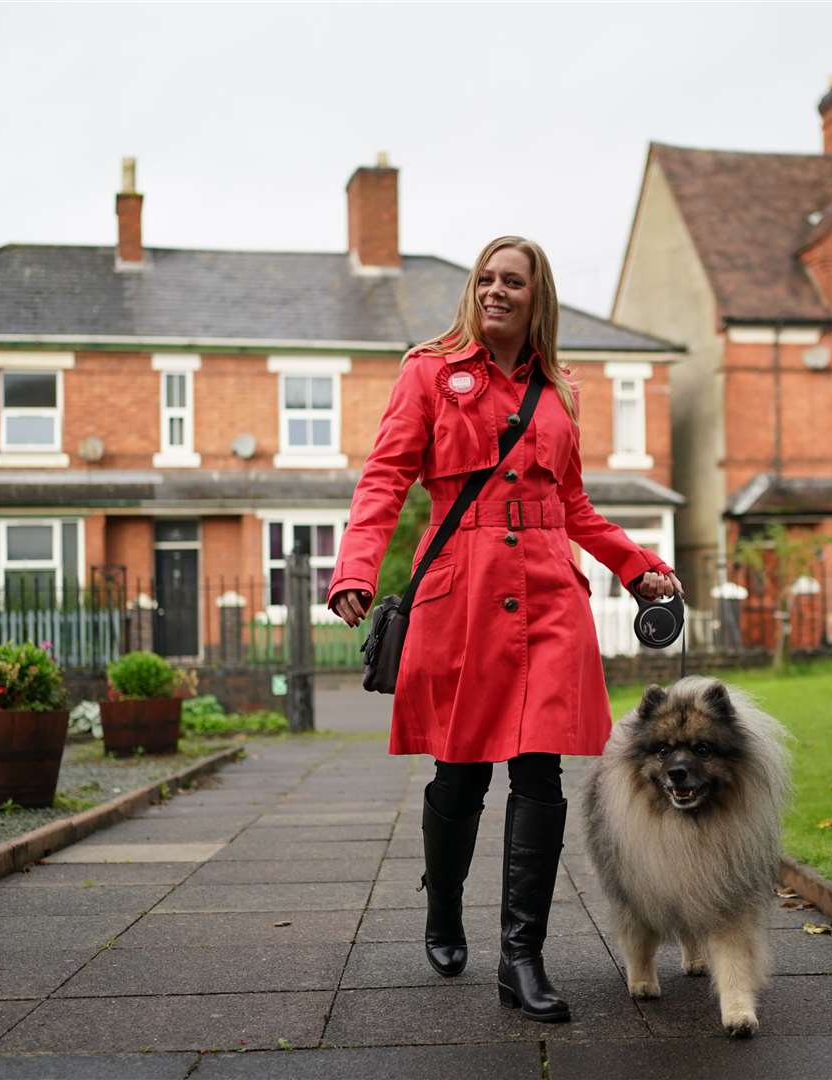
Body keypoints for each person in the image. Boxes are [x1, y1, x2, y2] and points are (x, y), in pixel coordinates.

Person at [328, 236, 681, 1023]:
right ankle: (444, 908)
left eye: (510, 281)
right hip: (462, 588)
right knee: (459, 775)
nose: (494, 290)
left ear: (535, 296)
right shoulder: (429, 371)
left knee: (538, 774)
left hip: (549, 592)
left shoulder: (559, 390)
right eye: (484, 279)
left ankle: (521, 958)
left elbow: (574, 504)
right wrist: (356, 566)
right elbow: (385, 475)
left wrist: (634, 565)